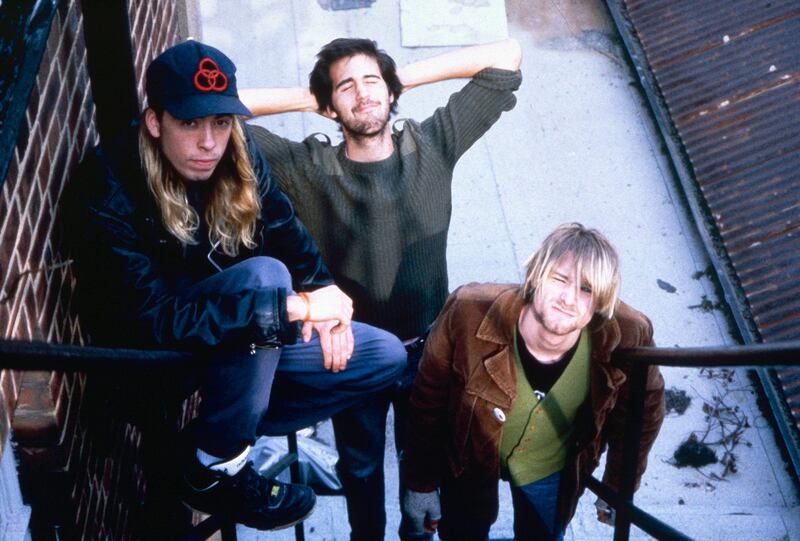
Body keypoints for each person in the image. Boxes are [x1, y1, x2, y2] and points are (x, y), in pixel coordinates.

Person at [69, 40, 407, 532]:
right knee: (266, 276)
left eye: (221, 122)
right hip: (163, 357)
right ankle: (217, 467)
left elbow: (284, 227)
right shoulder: (109, 188)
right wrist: (292, 308)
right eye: (190, 124)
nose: (209, 142)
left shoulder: (237, 150)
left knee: (384, 357)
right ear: (155, 122)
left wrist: (322, 292)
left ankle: (211, 443)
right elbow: (153, 322)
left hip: (241, 339)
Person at [238, 38, 522, 539]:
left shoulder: (433, 145)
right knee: (361, 466)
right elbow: (222, 113)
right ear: (329, 106)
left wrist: (395, 80)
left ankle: (417, 532)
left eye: (371, 81)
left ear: (390, 92)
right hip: (355, 352)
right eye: (345, 86)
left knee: (425, 466)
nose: (362, 93)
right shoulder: (309, 169)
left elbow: (507, 54)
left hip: (430, 352)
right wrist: (310, 98)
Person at [400, 223, 666, 541]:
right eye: (560, 279)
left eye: (587, 289)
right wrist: (420, 483)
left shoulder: (628, 333)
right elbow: (427, 400)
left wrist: (618, 486)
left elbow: (642, 415)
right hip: (469, 461)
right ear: (537, 276)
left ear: (601, 301)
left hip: (550, 467)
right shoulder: (467, 311)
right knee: (462, 533)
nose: (568, 299)